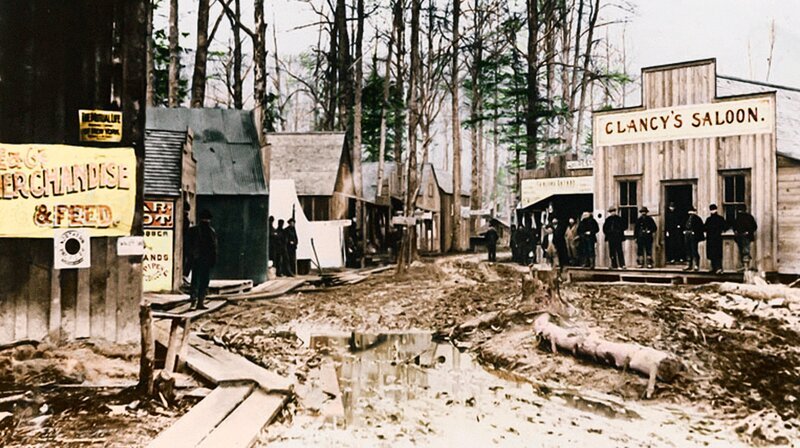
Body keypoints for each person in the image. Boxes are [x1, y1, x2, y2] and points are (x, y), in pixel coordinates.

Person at [186, 210, 217, 310]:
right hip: (202, 259)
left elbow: (188, 246)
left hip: (199, 259)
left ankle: (196, 302)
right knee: (201, 281)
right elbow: (214, 247)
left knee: (198, 280)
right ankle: (198, 302)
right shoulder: (211, 231)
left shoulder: (193, 230)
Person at [704, 204, 727, 274]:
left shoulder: (716, 219)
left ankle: (718, 268)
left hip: (715, 238)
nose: (712, 211)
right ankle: (715, 268)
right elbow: (705, 228)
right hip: (713, 238)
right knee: (714, 254)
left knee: (716, 254)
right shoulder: (712, 219)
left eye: (713, 210)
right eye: (712, 210)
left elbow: (725, 226)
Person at [734, 205, 758, 271]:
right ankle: (744, 266)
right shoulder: (740, 217)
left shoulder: (747, 217)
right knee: (743, 251)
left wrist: (748, 232)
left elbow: (754, 226)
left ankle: (746, 267)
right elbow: (735, 226)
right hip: (740, 236)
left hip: (746, 237)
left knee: (745, 251)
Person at [683, 206, 704, 272]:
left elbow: (701, 228)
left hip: (694, 236)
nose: (691, 213)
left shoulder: (697, 219)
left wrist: (695, 232)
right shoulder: (685, 218)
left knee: (694, 250)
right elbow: (682, 225)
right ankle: (689, 264)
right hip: (687, 234)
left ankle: (696, 265)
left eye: (692, 211)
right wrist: (684, 231)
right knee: (688, 249)